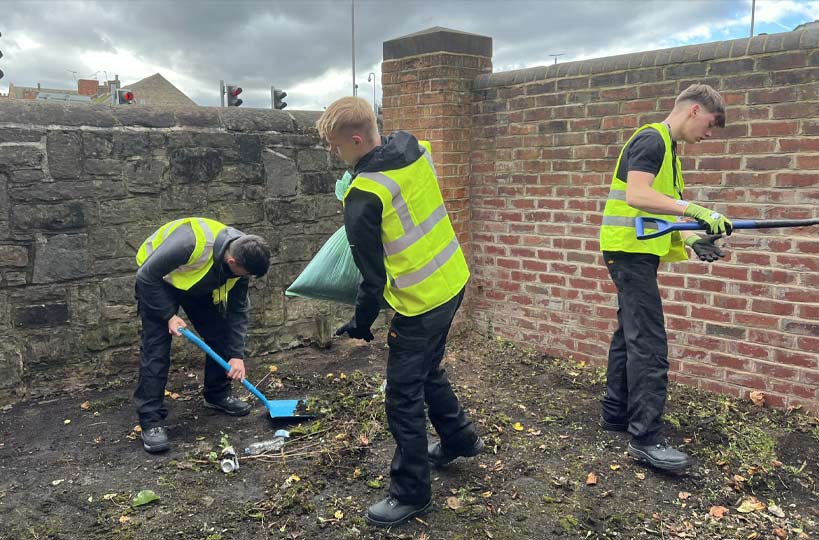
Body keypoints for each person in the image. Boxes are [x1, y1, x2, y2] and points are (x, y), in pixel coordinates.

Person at [316, 97, 483, 527]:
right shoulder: (415, 147)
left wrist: (359, 322)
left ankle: (411, 493)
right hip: (452, 280)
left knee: (402, 396)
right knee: (427, 371)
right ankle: (459, 438)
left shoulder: (364, 196)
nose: (337, 156)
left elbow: (370, 279)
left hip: (419, 304)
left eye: (337, 147)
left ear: (355, 139)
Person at [599, 84, 733, 472]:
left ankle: (615, 413)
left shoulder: (669, 151)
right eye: (710, 124)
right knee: (649, 344)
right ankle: (646, 438)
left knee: (630, 333)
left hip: (631, 252)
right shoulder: (652, 141)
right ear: (694, 110)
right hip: (628, 253)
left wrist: (692, 237)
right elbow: (637, 196)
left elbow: (659, 213)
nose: (709, 134)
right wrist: (697, 209)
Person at [134, 217, 271, 453]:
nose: (245, 278)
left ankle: (216, 394)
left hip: (196, 283)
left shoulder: (244, 251)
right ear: (231, 261)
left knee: (220, 335)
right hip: (157, 282)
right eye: (244, 274)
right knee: (156, 350)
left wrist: (237, 355)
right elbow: (145, 276)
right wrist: (168, 315)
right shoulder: (189, 243)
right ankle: (151, 421)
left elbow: (238, 311)